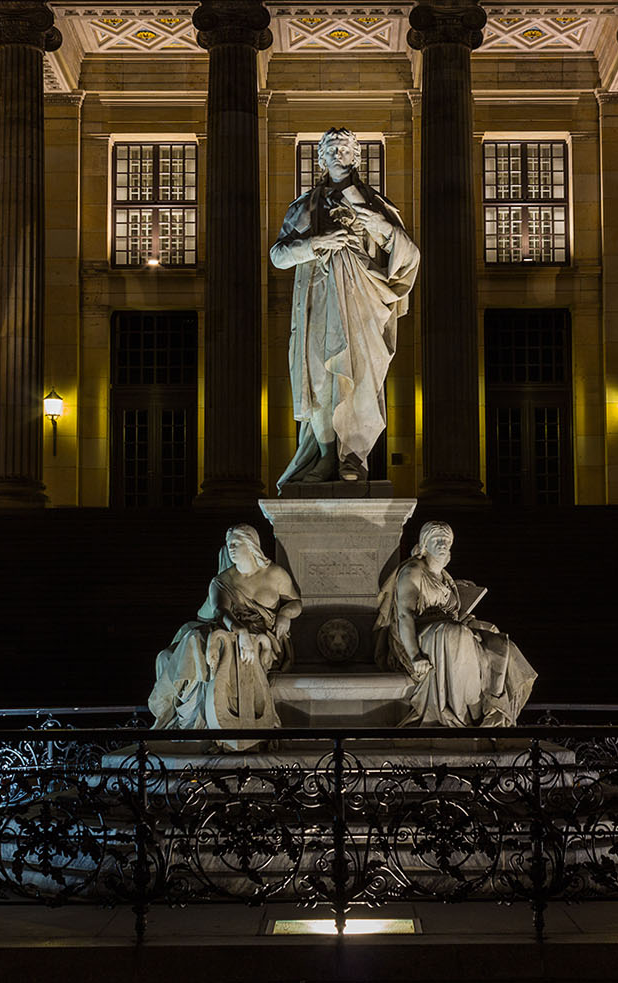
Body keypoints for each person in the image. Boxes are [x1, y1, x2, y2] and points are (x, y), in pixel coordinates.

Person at [270, 128, 420, 486]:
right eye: (331, 149)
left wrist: (385, 229)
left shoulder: (379, 206)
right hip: (319, 302)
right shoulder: (303, 207)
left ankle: (353, 455)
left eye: (345, 148)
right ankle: (324, 457)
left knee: (361, 381)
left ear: (356, 156)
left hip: (364, 302)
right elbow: (278, 256)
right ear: (320, 158)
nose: (338, 153)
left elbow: (410, 256)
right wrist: (315, 242)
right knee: (321, 381)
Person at [147, 525, 302, 748]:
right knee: (189, 646)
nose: (231, 548)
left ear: (251, 544)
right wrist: (241, 632)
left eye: (236, 543)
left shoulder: (275, 574)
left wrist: (286, 614)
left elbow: (296, 602)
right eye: (229, 544)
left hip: (266, 636)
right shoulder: (222, 580)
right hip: (232, 631)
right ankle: (191, 719)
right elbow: (221, 611)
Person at [374, 521, 537, 727]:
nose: (442, 543)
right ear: (425, 543)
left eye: (446, 540)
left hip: (445, 627)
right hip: (418, 635)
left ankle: (494, 710)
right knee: (456, 634)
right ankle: (466, 717)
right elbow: (405, 616)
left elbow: (452, 614)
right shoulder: (413, 571)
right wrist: (415, 655)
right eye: (436, 539)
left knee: (498, 641)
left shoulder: (445, 577)